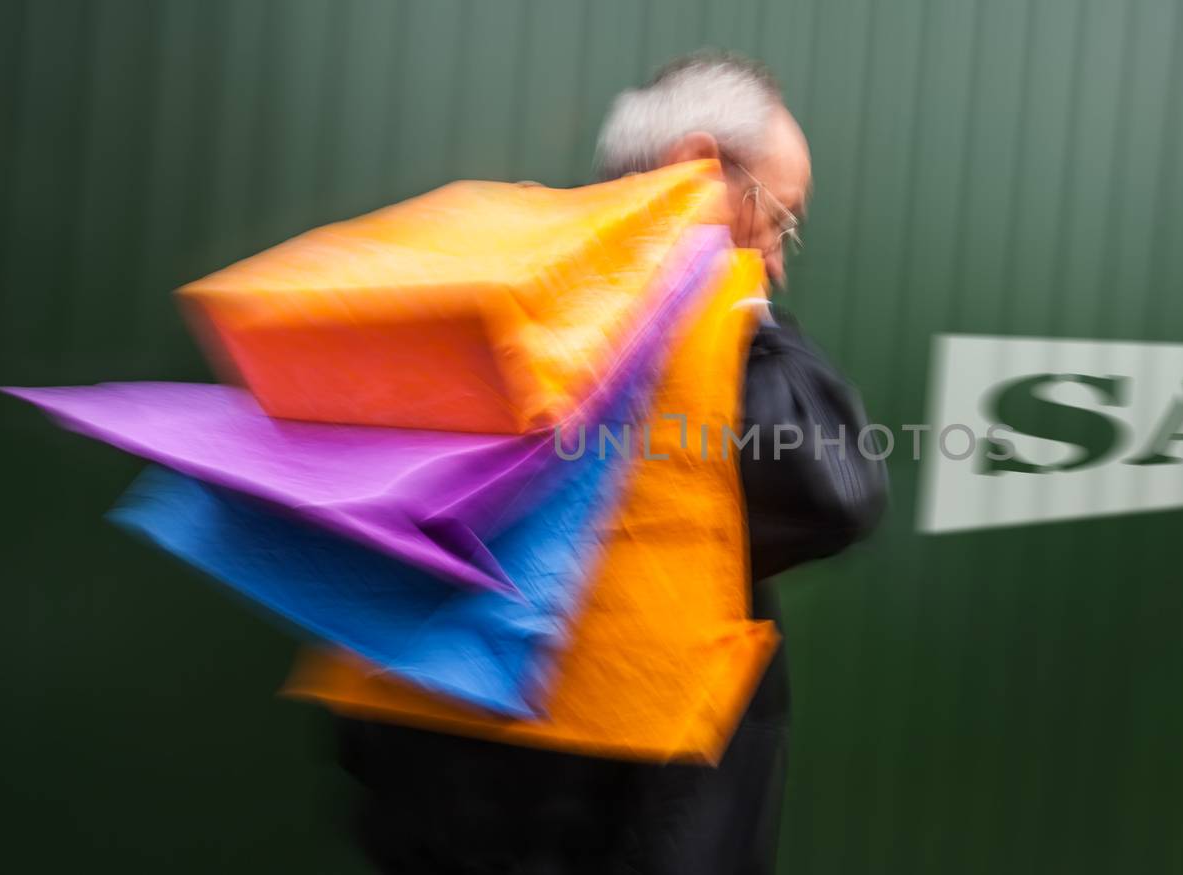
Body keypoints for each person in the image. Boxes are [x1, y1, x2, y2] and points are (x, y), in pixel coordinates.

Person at [337, 51, 887, 874]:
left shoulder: (471, 296)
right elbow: (836, 488)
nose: (774, 256)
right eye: (777, 216)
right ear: (698, 171)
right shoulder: (704, 349)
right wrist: (749, 314)